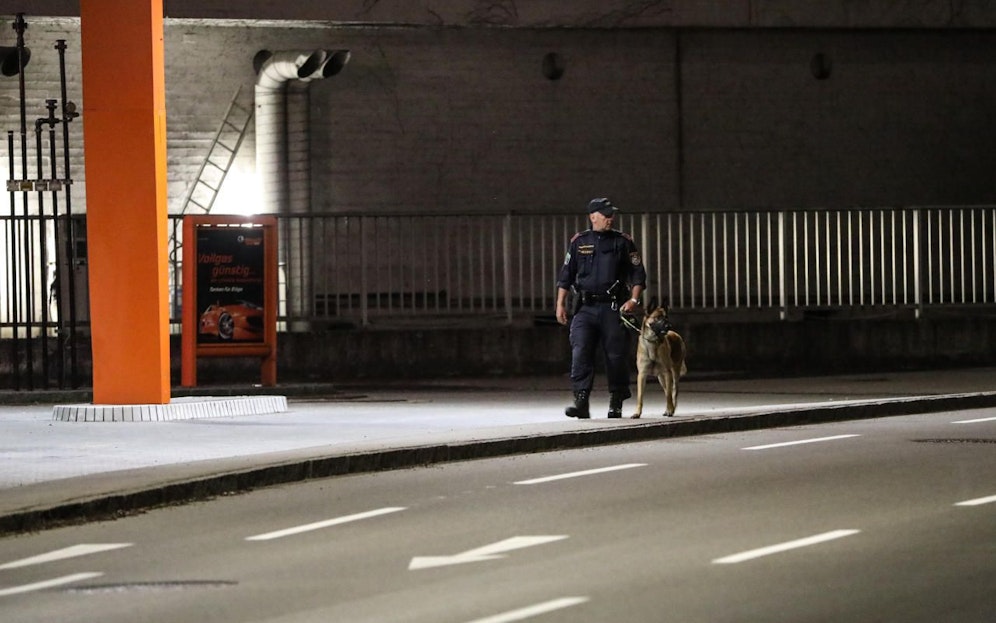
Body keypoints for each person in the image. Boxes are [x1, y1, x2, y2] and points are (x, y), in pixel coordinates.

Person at [555, 197, 646, 419]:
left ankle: (616, 400)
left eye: (611, 215)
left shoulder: (623, 242)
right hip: (585, 308)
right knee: (580, 352)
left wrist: (633, 300)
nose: (610, 218)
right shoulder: (579, 242)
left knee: (616, 356)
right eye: (606, 215)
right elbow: (566, 276)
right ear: (592, 216)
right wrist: (560, 304)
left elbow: (638, 275)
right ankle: (581, 400)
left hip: (614, 308)